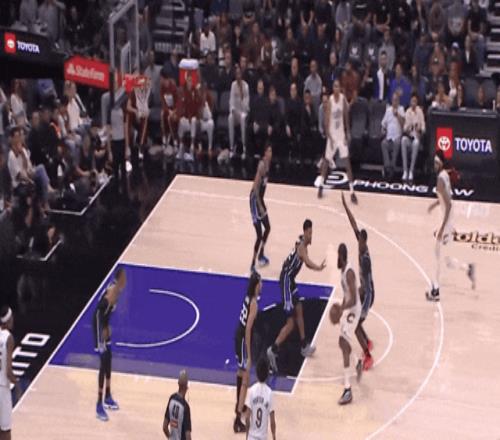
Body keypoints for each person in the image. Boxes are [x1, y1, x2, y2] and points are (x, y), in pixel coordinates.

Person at [267, 219, 326, 373]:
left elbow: (304, 262)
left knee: (299, 308)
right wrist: (319, 268)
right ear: (305, 232)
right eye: (310, 233)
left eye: (312, 232)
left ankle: (304, 345)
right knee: (290, 323)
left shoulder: (302, 244)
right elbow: (307, 262)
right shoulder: (301, 247)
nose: (311, 235)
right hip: (286, 281)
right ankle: (272, 350)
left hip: (290, 280)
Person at [426, 151, 475, 302]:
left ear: (441, 163)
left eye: (436, 163)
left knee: (437, 256)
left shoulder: (441, 179)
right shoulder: (444, 175)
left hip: (446, 219)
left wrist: (442, 228)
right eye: (434, 162)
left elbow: (448, 205)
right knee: (444, 258)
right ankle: (467, 268)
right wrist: (435, 204)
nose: (434, 165)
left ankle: (435, 291)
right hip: (447, 218)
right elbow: (446, 197)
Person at [341, 193, 374, 371]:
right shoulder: (361, 245)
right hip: (365, 291)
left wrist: (359, 292)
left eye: (360, 241)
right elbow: (354, 224)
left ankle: (368, 356)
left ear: (364, 242)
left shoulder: (365, 260)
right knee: (357, 322)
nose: (358, 243)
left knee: (355, 326)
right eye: (358, 240)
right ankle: (367, 341)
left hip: (368, 294)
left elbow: (367, 286)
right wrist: (345, 207)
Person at [93, 267, 127, 421]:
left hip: (104, 326)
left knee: (109, 359)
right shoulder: (113, 292)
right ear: (119, 279)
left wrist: (108, 327)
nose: (125, 281)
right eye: (124, 278)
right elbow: (99, 313)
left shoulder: (117, 291)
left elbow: (106, 313)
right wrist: (101, 335)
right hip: (98, 326)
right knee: (103, 362)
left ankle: (107, 396)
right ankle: (98, 404)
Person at [317, 79, 357, 203]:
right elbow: (326, 120)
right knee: (326, 161)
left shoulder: (343, 99)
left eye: (338, 86)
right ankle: (321, 186)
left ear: (340, 88)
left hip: (341, 135)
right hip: (332, 136)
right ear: (332, 88)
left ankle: (352, 191)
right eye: (334, 86)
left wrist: (348, 132)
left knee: (347, 162)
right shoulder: (330, 101)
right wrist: (329, 137)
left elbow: (346, 115)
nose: (336, 88)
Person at [233, 272, 262, 433]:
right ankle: (237, 421)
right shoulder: (254, 304)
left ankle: (239, 404)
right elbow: (248, 330)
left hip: (238, 336)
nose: (262, 285)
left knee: (240, 372)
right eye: (260, 282)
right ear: (256, 285)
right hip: (243, 338)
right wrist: (250, 355)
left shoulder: (247, 297)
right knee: (246, 377)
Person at [336, 243, 363, 405]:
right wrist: (342, 308)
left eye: (337, 256)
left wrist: (341, 308)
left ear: (341, 256)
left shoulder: (349, 273)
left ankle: (348, 389)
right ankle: (357, 362)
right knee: (343, 342)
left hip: (353, 310)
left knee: (343, 343)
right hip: (348, 309)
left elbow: (353, 299)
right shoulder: (343, 269)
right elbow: (347, 295)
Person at [250, 144, 272, 271]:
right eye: (268, 151)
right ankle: (252, 264)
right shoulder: (262, 165)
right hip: (254, 200)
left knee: (268, 228)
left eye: (271, 151)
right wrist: (259, 206)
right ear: (264, 153)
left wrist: (263, 203)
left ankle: (261, 254)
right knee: (259, 234)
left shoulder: (268, 165)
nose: (270, 153)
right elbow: (255, 188)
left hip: (260, 199)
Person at [244, 358, 276, 440]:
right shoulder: (269, 393)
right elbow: (272, 421)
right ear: (267, 374)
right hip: (263, 437)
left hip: (251, 436)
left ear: (256, 373)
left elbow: (247, 418)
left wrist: (247, 435)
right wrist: (274, 437)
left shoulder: (251, 390)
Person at [0, 306, 18, 440]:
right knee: (5, 430)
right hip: (2, 388)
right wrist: (17, 384)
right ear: (8, 320)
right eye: (12, 317)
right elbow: (8, 371)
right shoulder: (9, 338)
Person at [401, 94, 425, 183]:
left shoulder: (420, 112)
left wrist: (420, 129)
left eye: (415, 101)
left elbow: (424, 127)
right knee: (403, 140)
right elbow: (404, 128)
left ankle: (411, 171)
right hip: (409, 137)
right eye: (412, 101)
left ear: (417, 102)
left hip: (416, 138)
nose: (413, 103)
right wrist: (408, 128)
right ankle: (405, 171)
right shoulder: (407, 112)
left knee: (416, 143)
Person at [381, 93, 405, 180]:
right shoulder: (388, 110)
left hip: (397, 137)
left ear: (398, 101)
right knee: (383, 143)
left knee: (397, 143)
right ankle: (388, 167)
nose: (394, 102)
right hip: (388, 137)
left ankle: (392, 168)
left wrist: (397, 115)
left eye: (396, 100)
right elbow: (383, 124)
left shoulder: (401, 109)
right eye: (393, 100)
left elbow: (403, 124)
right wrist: (383, 130)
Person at [163, 370, 192, 440]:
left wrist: (170, 438)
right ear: (186, 387)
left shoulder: (172, 398)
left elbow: (164, 427)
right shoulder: (185, 407)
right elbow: (188, 436)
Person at [228, 65, 250, 159]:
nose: (238, 76)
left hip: (243, 113)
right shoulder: (233, 85)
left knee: (242, 117)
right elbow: (231, 101)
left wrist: (241, 96)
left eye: (239, 74)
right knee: (230, 118)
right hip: (235, 113)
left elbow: (246, 106)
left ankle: (244, 148)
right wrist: (233, 110)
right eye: (236, 74)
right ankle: (231, 147)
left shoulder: (246, 86)